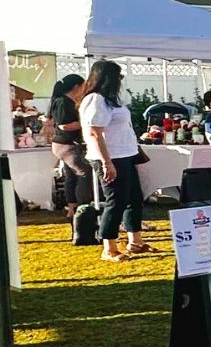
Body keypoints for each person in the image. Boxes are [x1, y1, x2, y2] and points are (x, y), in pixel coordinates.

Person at [78, 61, 152, 262]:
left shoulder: (109, 100)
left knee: (134, 198)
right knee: (116, 201)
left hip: (125, 154)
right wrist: (106, 162)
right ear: (108, 78)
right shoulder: (95, 99)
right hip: (111, 157)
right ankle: (109, 247)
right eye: (118, 77)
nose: (120, 81)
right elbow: (95, 133)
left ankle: (135, 241)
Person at [43, 73, 88, 213]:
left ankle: (72, 207)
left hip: (63, 144)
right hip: (67, 144)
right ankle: (83, 206)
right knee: (84, 173)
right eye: (83, 86)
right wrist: (85, 124)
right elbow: (65, 125)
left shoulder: (62, 101)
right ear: (76, 87)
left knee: (71, 175)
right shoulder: (64, 102)